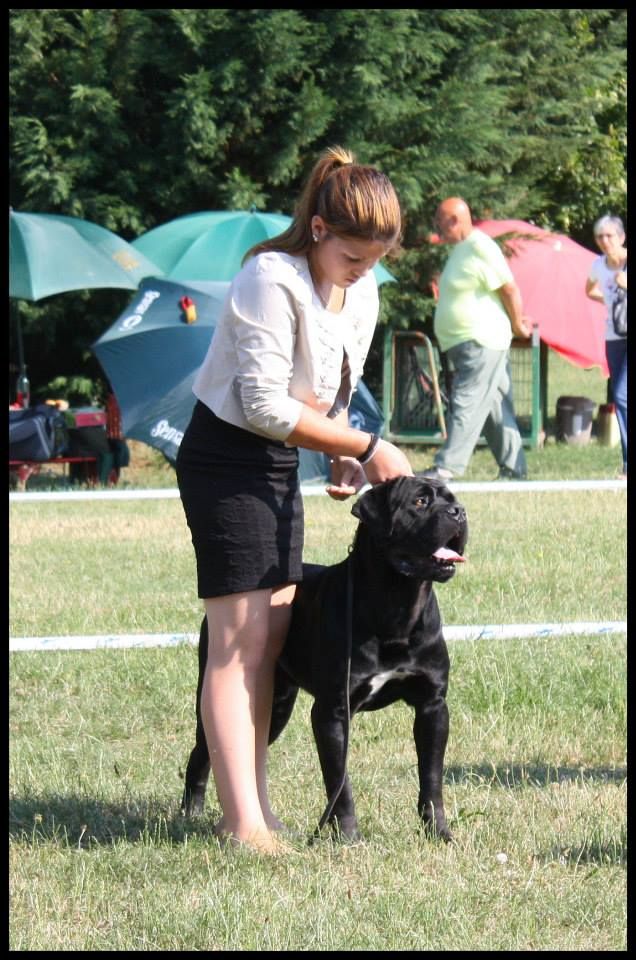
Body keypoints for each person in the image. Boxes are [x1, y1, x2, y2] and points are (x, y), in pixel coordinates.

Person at [175, 146, 412, 854]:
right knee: (239, 641)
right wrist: (368, 448)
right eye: (351, 258)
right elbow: (260, 402)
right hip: (226, 459)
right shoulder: (268, 278)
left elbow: (327, 389)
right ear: (316, 230)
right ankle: (242, 822)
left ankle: (254, 809)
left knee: (272, 638)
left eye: (373, 262)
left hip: (278, 458)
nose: (361, 273)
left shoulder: (360, 289)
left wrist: (339, 451)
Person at [421, 197, 532, 481]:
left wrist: (518, 324)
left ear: (455, 220)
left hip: (481, 341)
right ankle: (514, 469)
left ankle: (447, 467)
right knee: (495, 406)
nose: (437, 227)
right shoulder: (461, 249)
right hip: (470, 342)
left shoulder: (481, 247)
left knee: (466, 401)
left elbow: (509, 288)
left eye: (440, 221)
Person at [585, 214, 627, 479]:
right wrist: (611, 303)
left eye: (609, 236)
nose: (604, 241)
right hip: (614, 336)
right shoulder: (598, 265)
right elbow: (589, 290)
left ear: (622, 237)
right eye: (600, 236)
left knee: (622, 395)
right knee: (621, 397)